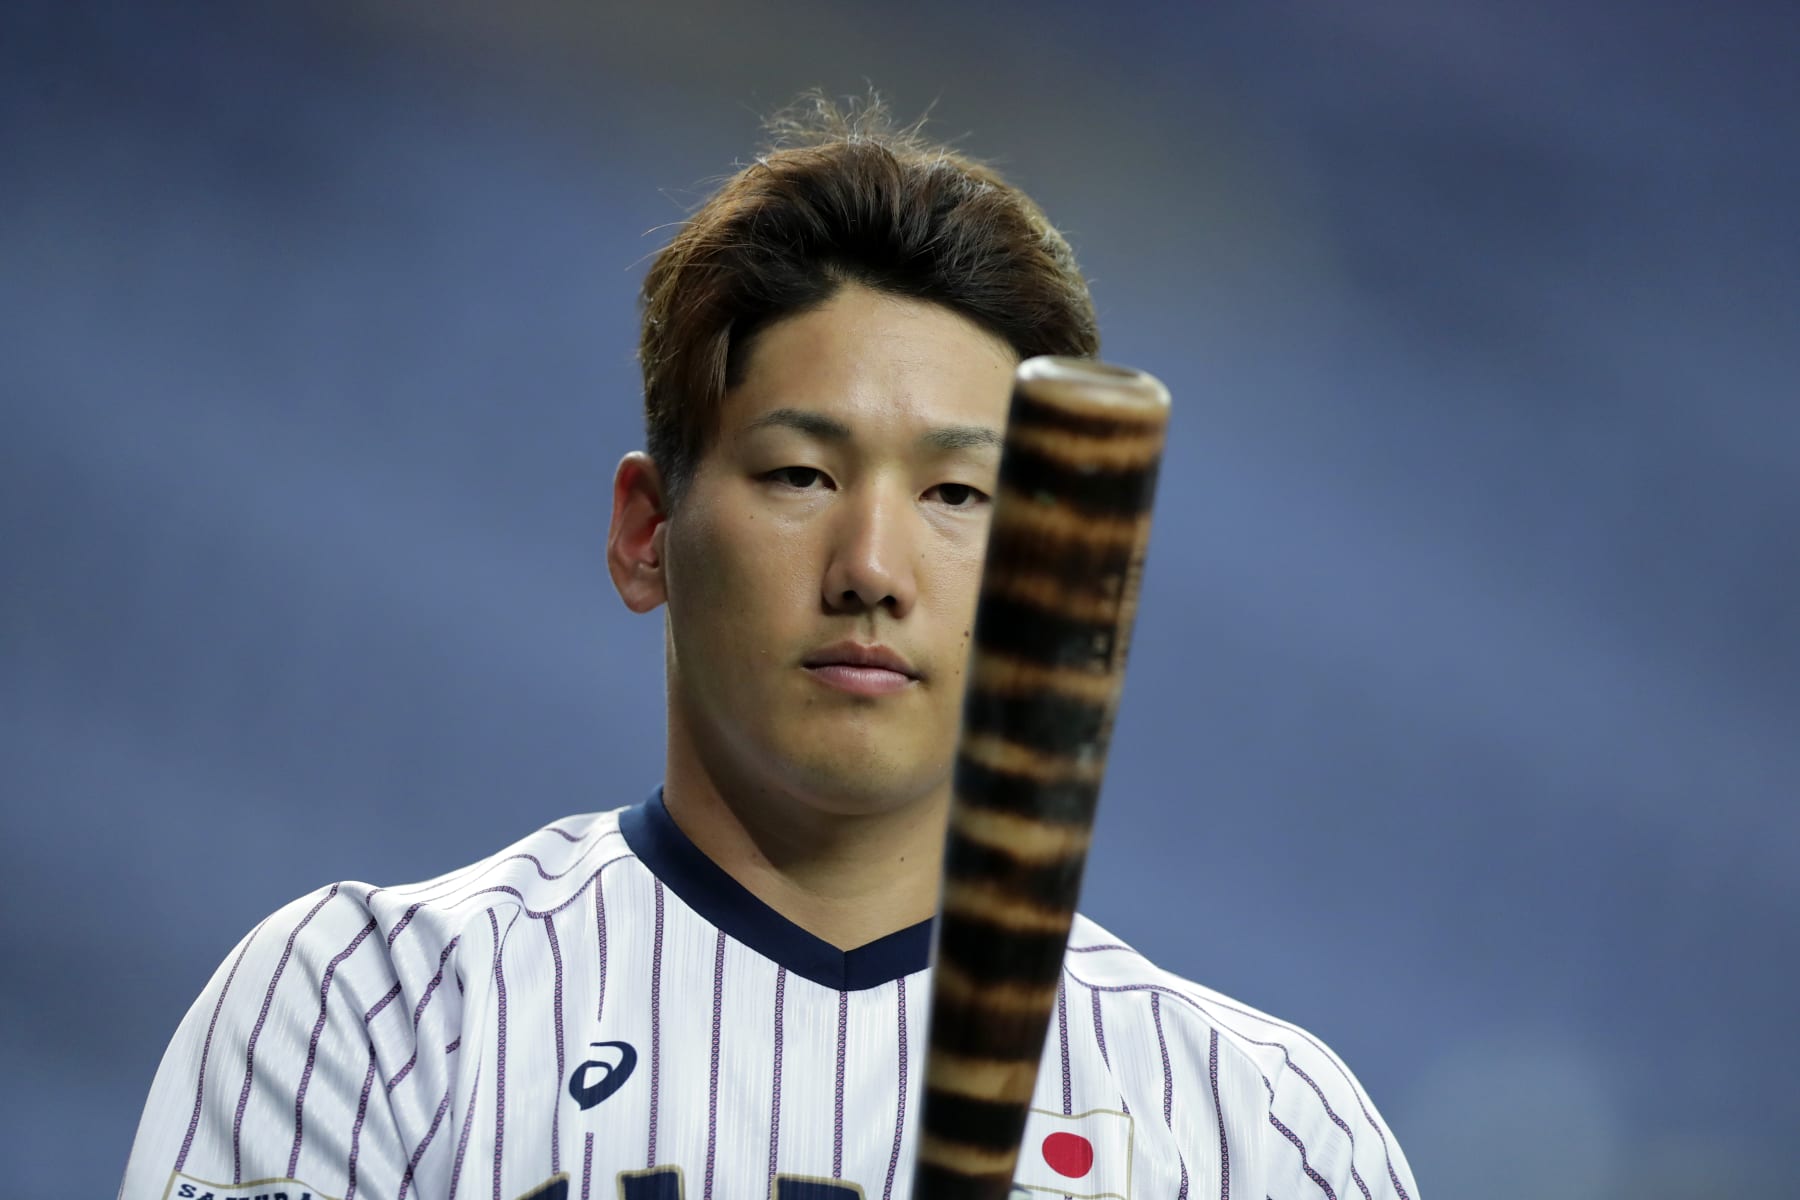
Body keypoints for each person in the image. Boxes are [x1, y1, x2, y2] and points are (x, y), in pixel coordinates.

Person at [120, 94, 1420, 1200]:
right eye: (801, 474)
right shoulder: (380, 1011)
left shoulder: (1268, 1134)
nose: (870, 570)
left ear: (1054, 585)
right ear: (648, 531)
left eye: (957, 497)